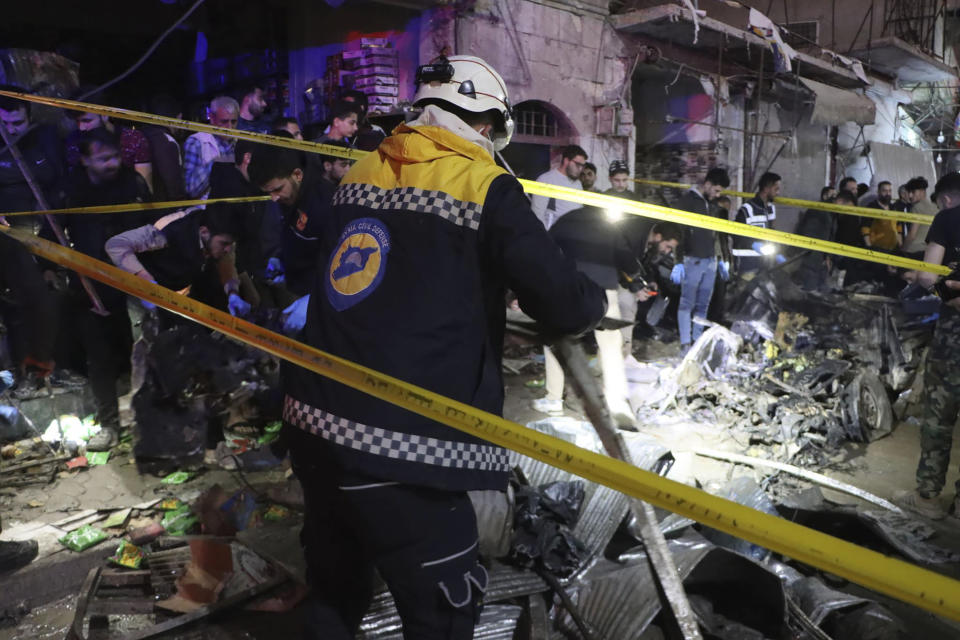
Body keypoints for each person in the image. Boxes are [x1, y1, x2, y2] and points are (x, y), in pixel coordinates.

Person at [282, 54, 606, 639]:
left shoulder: (360, 172)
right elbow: (561, 301)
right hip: (405, 444)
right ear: (484, 126)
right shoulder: (482, 181)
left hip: (314, 424)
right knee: (445, 613)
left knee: (335, 592)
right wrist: (596, 302)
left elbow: (388, 272)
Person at [49, 128, 151, 451]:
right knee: (99, 357)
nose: (113, 164)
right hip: (88, 285)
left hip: (131, 283)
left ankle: (151, 418)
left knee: (137, 352)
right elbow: (50, 233)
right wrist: (50, 268)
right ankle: (108, 425)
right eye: (104, 158)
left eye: (116, 157)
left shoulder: (131, 185)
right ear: (85, 159)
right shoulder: (68, 192)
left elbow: (151, 227)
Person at [547, 207, 680, 425]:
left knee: (557, 339)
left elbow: (546, 251)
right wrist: (636, 282)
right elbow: (624, 257)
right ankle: (616, 403)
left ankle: (552, 399)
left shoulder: (565, 220)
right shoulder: (607, 224)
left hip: (569, 285)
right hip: (603, 287)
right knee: (610, 344)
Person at [893, 172, 960, 520]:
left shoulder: (948, 218)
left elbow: (928, 276)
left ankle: (928, 499)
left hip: (954, 339)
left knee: (939, 417)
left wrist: (946, 293)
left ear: (946, 199)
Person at [670, 168, 731, 350]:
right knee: (686, 303)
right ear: (707, 184)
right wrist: (678, 261)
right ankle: (685, 343)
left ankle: (697, 342)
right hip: (692, 260)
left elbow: (715, 234)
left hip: (710, 261)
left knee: (703, 304)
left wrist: (720, 258)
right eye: (716, 190)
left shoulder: (712, 205)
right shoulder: (687, 202)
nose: (718, 194)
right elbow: (677, 232)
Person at [0, 84, 66, 228]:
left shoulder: (46, 138)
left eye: (17, 123)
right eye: (4, 123)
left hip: (44, 213)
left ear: (29, 118)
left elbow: (60, 179)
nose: (10, 130)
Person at [66, 90, 153, 192]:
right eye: (77, 121)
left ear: (105, 115)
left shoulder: (132, 139)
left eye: (87, 121)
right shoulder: (75, 141)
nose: (81, 128)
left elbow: (145, 188)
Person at [795, 191, 855, 291]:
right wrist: (821, 260)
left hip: (820, 261)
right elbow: (810, 239)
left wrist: (827, 257)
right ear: (840, 201)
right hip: (810, 261)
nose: (846, 213)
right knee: (810, 291)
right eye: (847, 208)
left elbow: (829, 237)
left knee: (819, 291)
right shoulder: (820, 212)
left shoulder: (832, 214)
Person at [183, 96, 238, 199]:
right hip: (206, 210)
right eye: (224, 121)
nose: (230, 127)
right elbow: (190, 189)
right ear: (212, 118)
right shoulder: (197, 142)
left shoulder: (240, 143)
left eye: (233, 122)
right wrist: (217, 163)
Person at [140, 94, 187, 202]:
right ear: (178, 117)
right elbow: (172, 183)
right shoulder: (167, 141)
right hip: (164, 206)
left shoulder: (142, 134)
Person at [732, 171, 781, 274]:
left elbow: (772, 231)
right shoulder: (747, 209)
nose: (778, 193)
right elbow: (736, 235)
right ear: (766, 189)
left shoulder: (770, 208)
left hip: (763, 261)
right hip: (747, 262)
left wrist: (776, 252)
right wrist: (754, 245)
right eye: (776, 189)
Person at [530, 144, 588, 230]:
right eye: (578, 164)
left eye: (582, 166)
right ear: (566, 161)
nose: (580, 169)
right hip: (554, 237)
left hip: (573, 236)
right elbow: (537, 215)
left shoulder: (578, 184)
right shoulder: (546, 180)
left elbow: (579, 211)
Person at [861, 181, 901, 250]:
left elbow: (898, 227)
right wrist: (869, 247)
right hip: (877, 248)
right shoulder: (871, 207)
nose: (888, 193)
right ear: (878, 192)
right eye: (884, 191)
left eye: (889, 191)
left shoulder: (893, 208)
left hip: (893, 249)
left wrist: (900, 244)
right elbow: (865, 228)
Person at [903, 176, 937, 257]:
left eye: (913, 192)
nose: (910, 196)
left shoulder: (916, 208)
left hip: (914, 250)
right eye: (909, 192)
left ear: (922, 191)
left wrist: (902, 249)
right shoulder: (935, 207)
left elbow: (912, 234)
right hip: (930, 250)